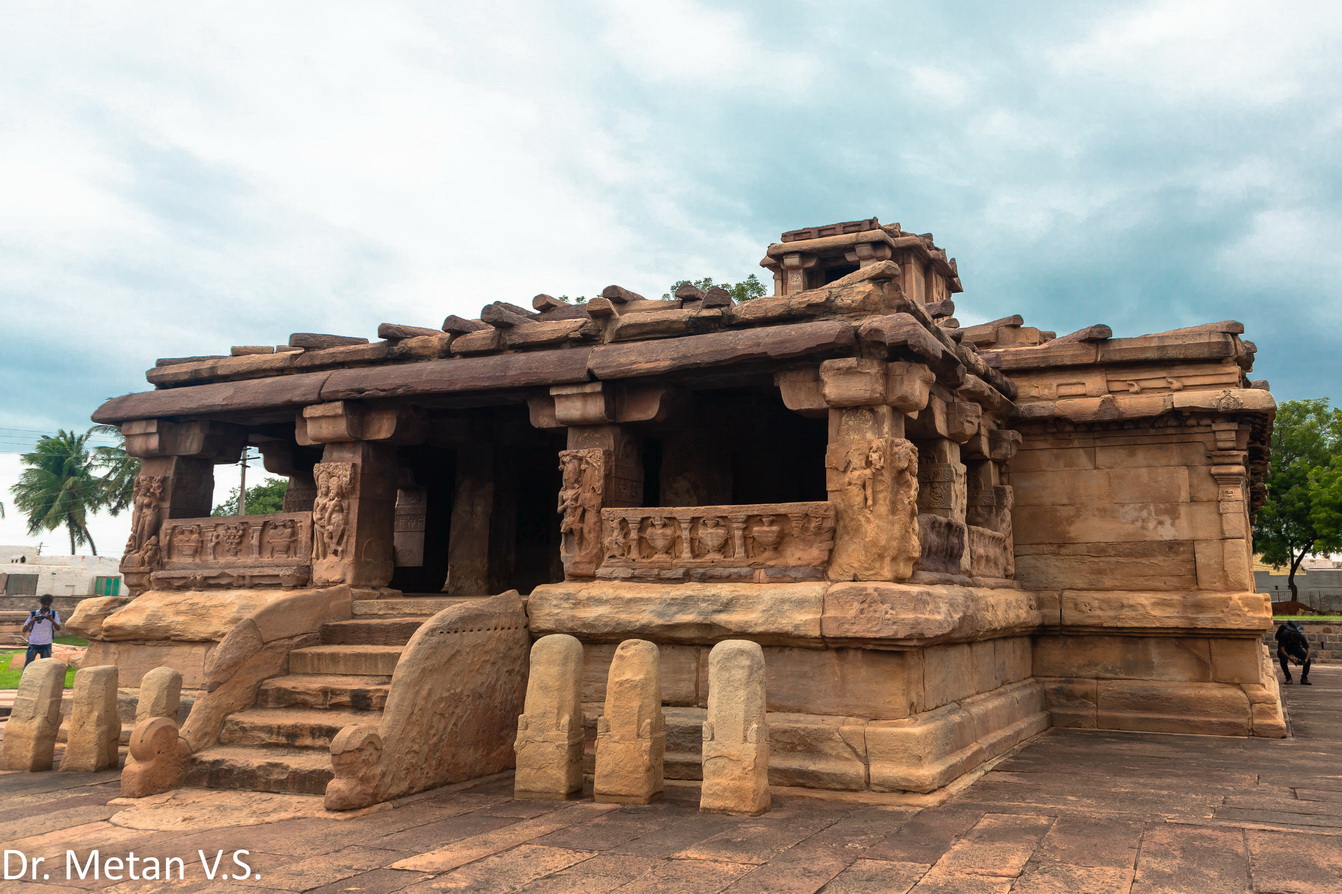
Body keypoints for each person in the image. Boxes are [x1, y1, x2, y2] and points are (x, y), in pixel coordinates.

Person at [21, 594, 61, 668]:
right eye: (44, 604)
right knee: (28, 664)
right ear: (41, 603)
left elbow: (58, 628)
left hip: (46, 642)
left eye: (48, 604)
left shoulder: (54, 614)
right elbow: (24, 630)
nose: (46, 606)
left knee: (46, 666)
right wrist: (32, 620)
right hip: (33, 642)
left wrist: (51, 620)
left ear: (50, 603)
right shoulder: (34, 614)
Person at [1275, 620, 1312, 685]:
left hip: (1295, 647)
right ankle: (1288, 678)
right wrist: (1290, 658)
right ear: (1292, 636)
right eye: (1295, 640)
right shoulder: (1284, 635)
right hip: (1285, 648)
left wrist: (1306, 660)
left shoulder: (1301, 637)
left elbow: (1308, 649)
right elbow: (1282, 649)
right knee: (1283, 660)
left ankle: (1304, 678)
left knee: (1308, 659)